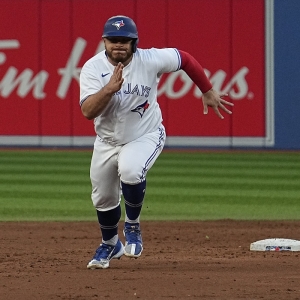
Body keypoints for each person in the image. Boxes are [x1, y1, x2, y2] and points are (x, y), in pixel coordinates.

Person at [79, 15, 233, 269]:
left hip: (145, 135)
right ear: (104, 41)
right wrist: (109, 89)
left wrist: (206, 90)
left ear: (134, 43)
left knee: (130, 170)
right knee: (103, 199)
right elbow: (87, 111)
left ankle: (133, 225)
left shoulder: (150, 59)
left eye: (125, 41)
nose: (119, 45)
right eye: (114, 40)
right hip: (106, 141)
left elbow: (185, 59)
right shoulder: (92, 68)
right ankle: (110, 244)